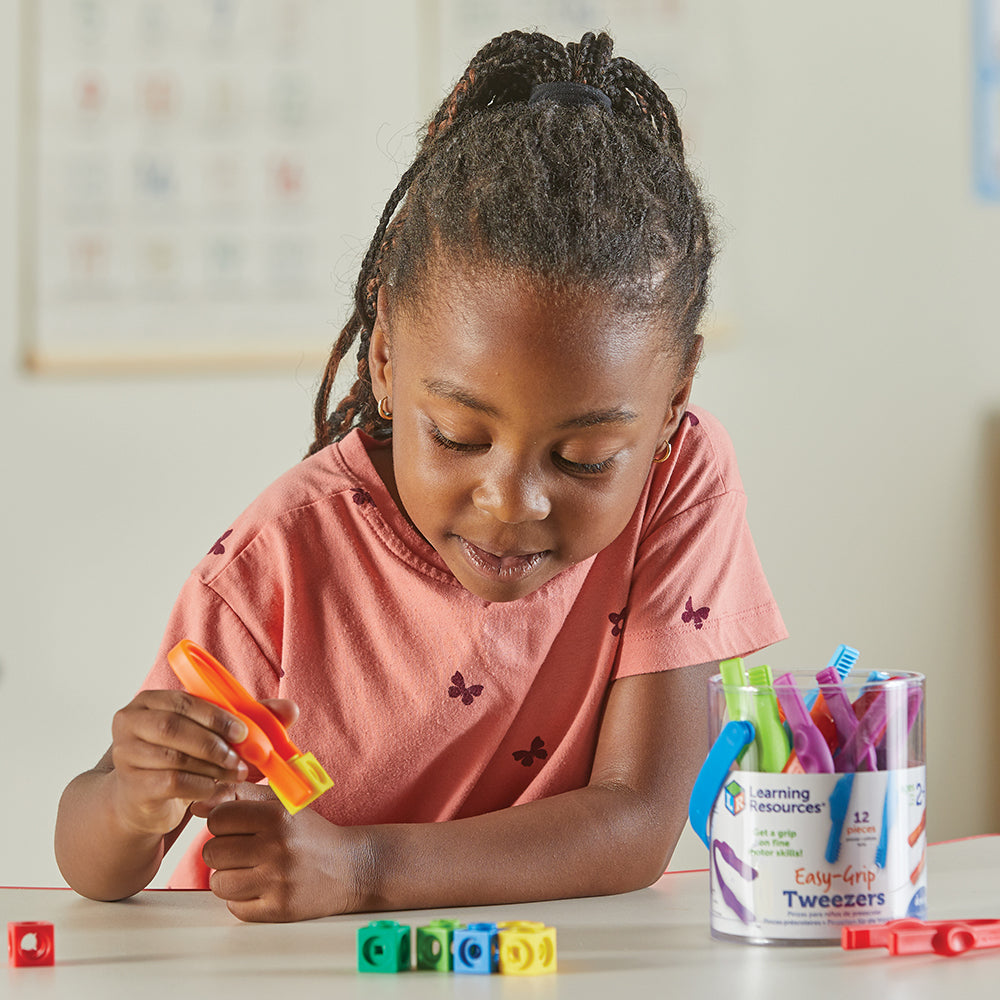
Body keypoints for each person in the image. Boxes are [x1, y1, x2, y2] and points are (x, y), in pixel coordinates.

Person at [55, 29, 786, 923]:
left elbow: (636, 823)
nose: (512, 502)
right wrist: (134, 796)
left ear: (674, 399)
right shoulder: (278, 560)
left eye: (584, 459)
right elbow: (96, 865)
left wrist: (363, 869)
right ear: (390, 353)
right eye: (458, 436)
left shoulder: (681, 479)